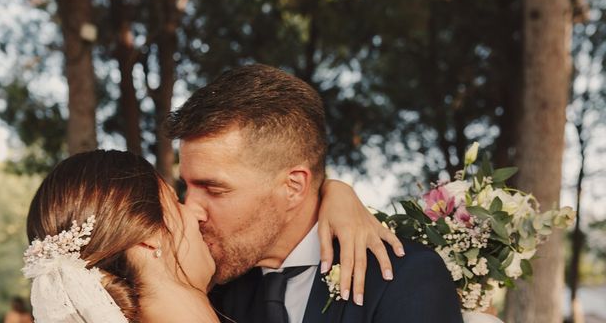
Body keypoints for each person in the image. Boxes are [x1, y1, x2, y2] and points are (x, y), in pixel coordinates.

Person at [166, 64, 464, 322]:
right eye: (186, 186)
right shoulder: (208, 285)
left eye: (214, 189)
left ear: (293, 187)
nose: (190, 208)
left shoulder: (405, 279)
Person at [23, 149, 400, 322]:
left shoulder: (232, 295)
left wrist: (334, 192)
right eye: (174, 200)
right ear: (148, 240)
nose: (195, 212)